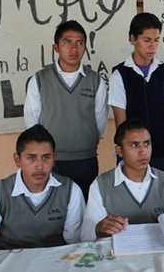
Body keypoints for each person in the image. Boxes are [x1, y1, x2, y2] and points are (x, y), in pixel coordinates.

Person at [0, 125, 85, 250]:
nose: (39, 166)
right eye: (31, 158)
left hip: (54, 262)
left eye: (46, 157)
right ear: (17, 160)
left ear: (54, 158)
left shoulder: (70, 191)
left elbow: (75, 242)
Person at [24, 20, 108, 201]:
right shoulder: (39, 80)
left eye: (80, 43)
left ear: (85, 47)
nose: (73, 48)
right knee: (52, 209)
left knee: (85, 208)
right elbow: (32, 123)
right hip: (50, 161)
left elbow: (99, 121)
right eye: (67, 42)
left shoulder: (95, 81)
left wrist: (85, 142)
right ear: (56, 47)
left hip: (85, 160)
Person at [80, 120, 164, 241]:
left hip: (159, 252)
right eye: (135, 145)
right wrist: (99, 228)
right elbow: (86, 236)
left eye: (146, 144)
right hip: (117, 255)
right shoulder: (101, 184)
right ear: (119, 151)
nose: (143, 151)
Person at [109, 12, 164, 174]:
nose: (152, 46)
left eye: (156, 40)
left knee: (163, 195)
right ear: (132, 39)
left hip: (161, 151)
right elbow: (121, 123)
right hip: (132, 155)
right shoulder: (120, 74)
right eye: (146, 40)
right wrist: (131, 150)